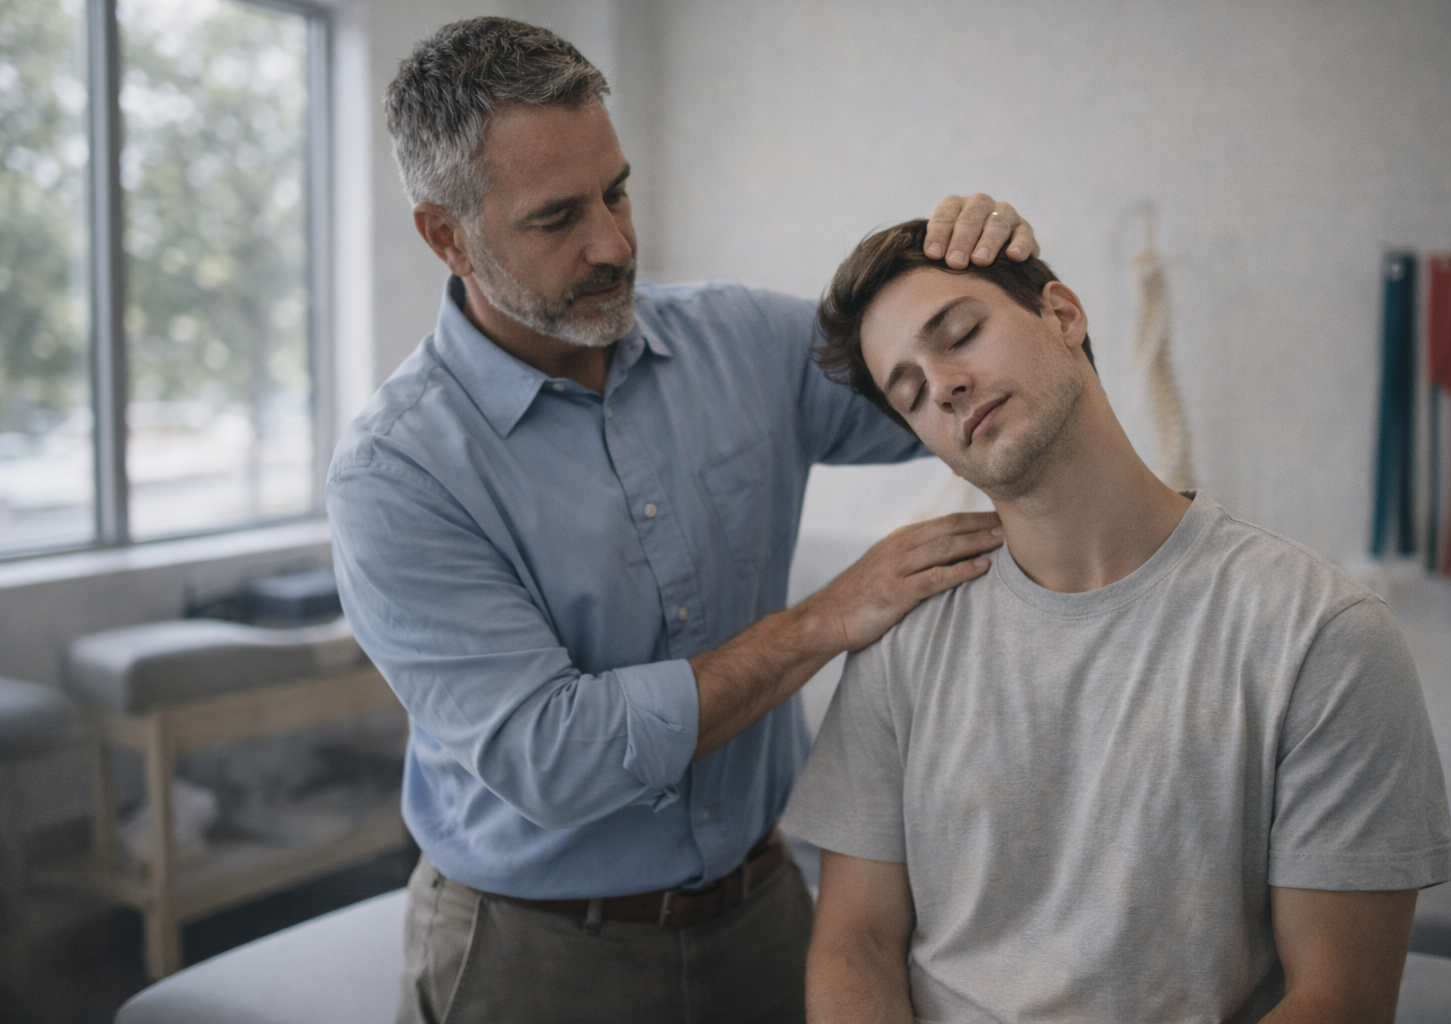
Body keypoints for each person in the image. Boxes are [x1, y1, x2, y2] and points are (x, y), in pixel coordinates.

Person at [326, 18, 1037, 1024]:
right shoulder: (395, 475)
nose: (613, 242)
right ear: (446, 233)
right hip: (538, 956)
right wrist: (829, 618)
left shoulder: (745, 340)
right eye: (557, 217)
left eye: (617, 190)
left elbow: (965, 396)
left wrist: (1001, 279)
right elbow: (554, 755)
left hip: (766, 916)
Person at [782, 219, 1451, 1024]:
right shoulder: (905, 635)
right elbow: (855, 942)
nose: (944, 384)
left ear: (1063, 316)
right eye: (910, 392)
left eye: (961, 333)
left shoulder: (1320, 634)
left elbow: (1340, 998)